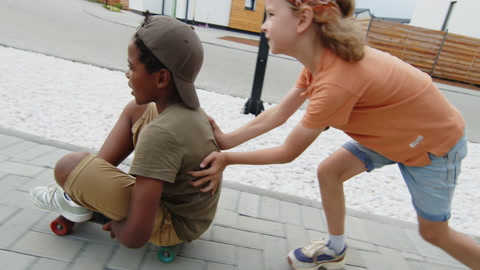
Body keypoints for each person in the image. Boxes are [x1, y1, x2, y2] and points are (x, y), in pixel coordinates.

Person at [189, 0, 480, 269]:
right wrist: (226, 140)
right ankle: (335, 249)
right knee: (329, 172)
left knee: (434, 233)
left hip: (432, 143)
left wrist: (227, 159)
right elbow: (278, 115)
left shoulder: (336, 81)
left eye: (272, 15)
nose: (264, 25)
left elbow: (288, 152)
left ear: (303, 19)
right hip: (392, 133)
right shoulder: (318, 64)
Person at [30, 13, 221, 249]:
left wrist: (118, 226)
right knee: (137, 110)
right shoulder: (191, 113)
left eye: (132, 67)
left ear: (162, 78)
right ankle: (79, 196)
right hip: (194, 214)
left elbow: (135, 237)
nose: (127, 74)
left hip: (173, 224)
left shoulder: (160, 133)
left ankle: (76, 193)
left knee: (67, 166)